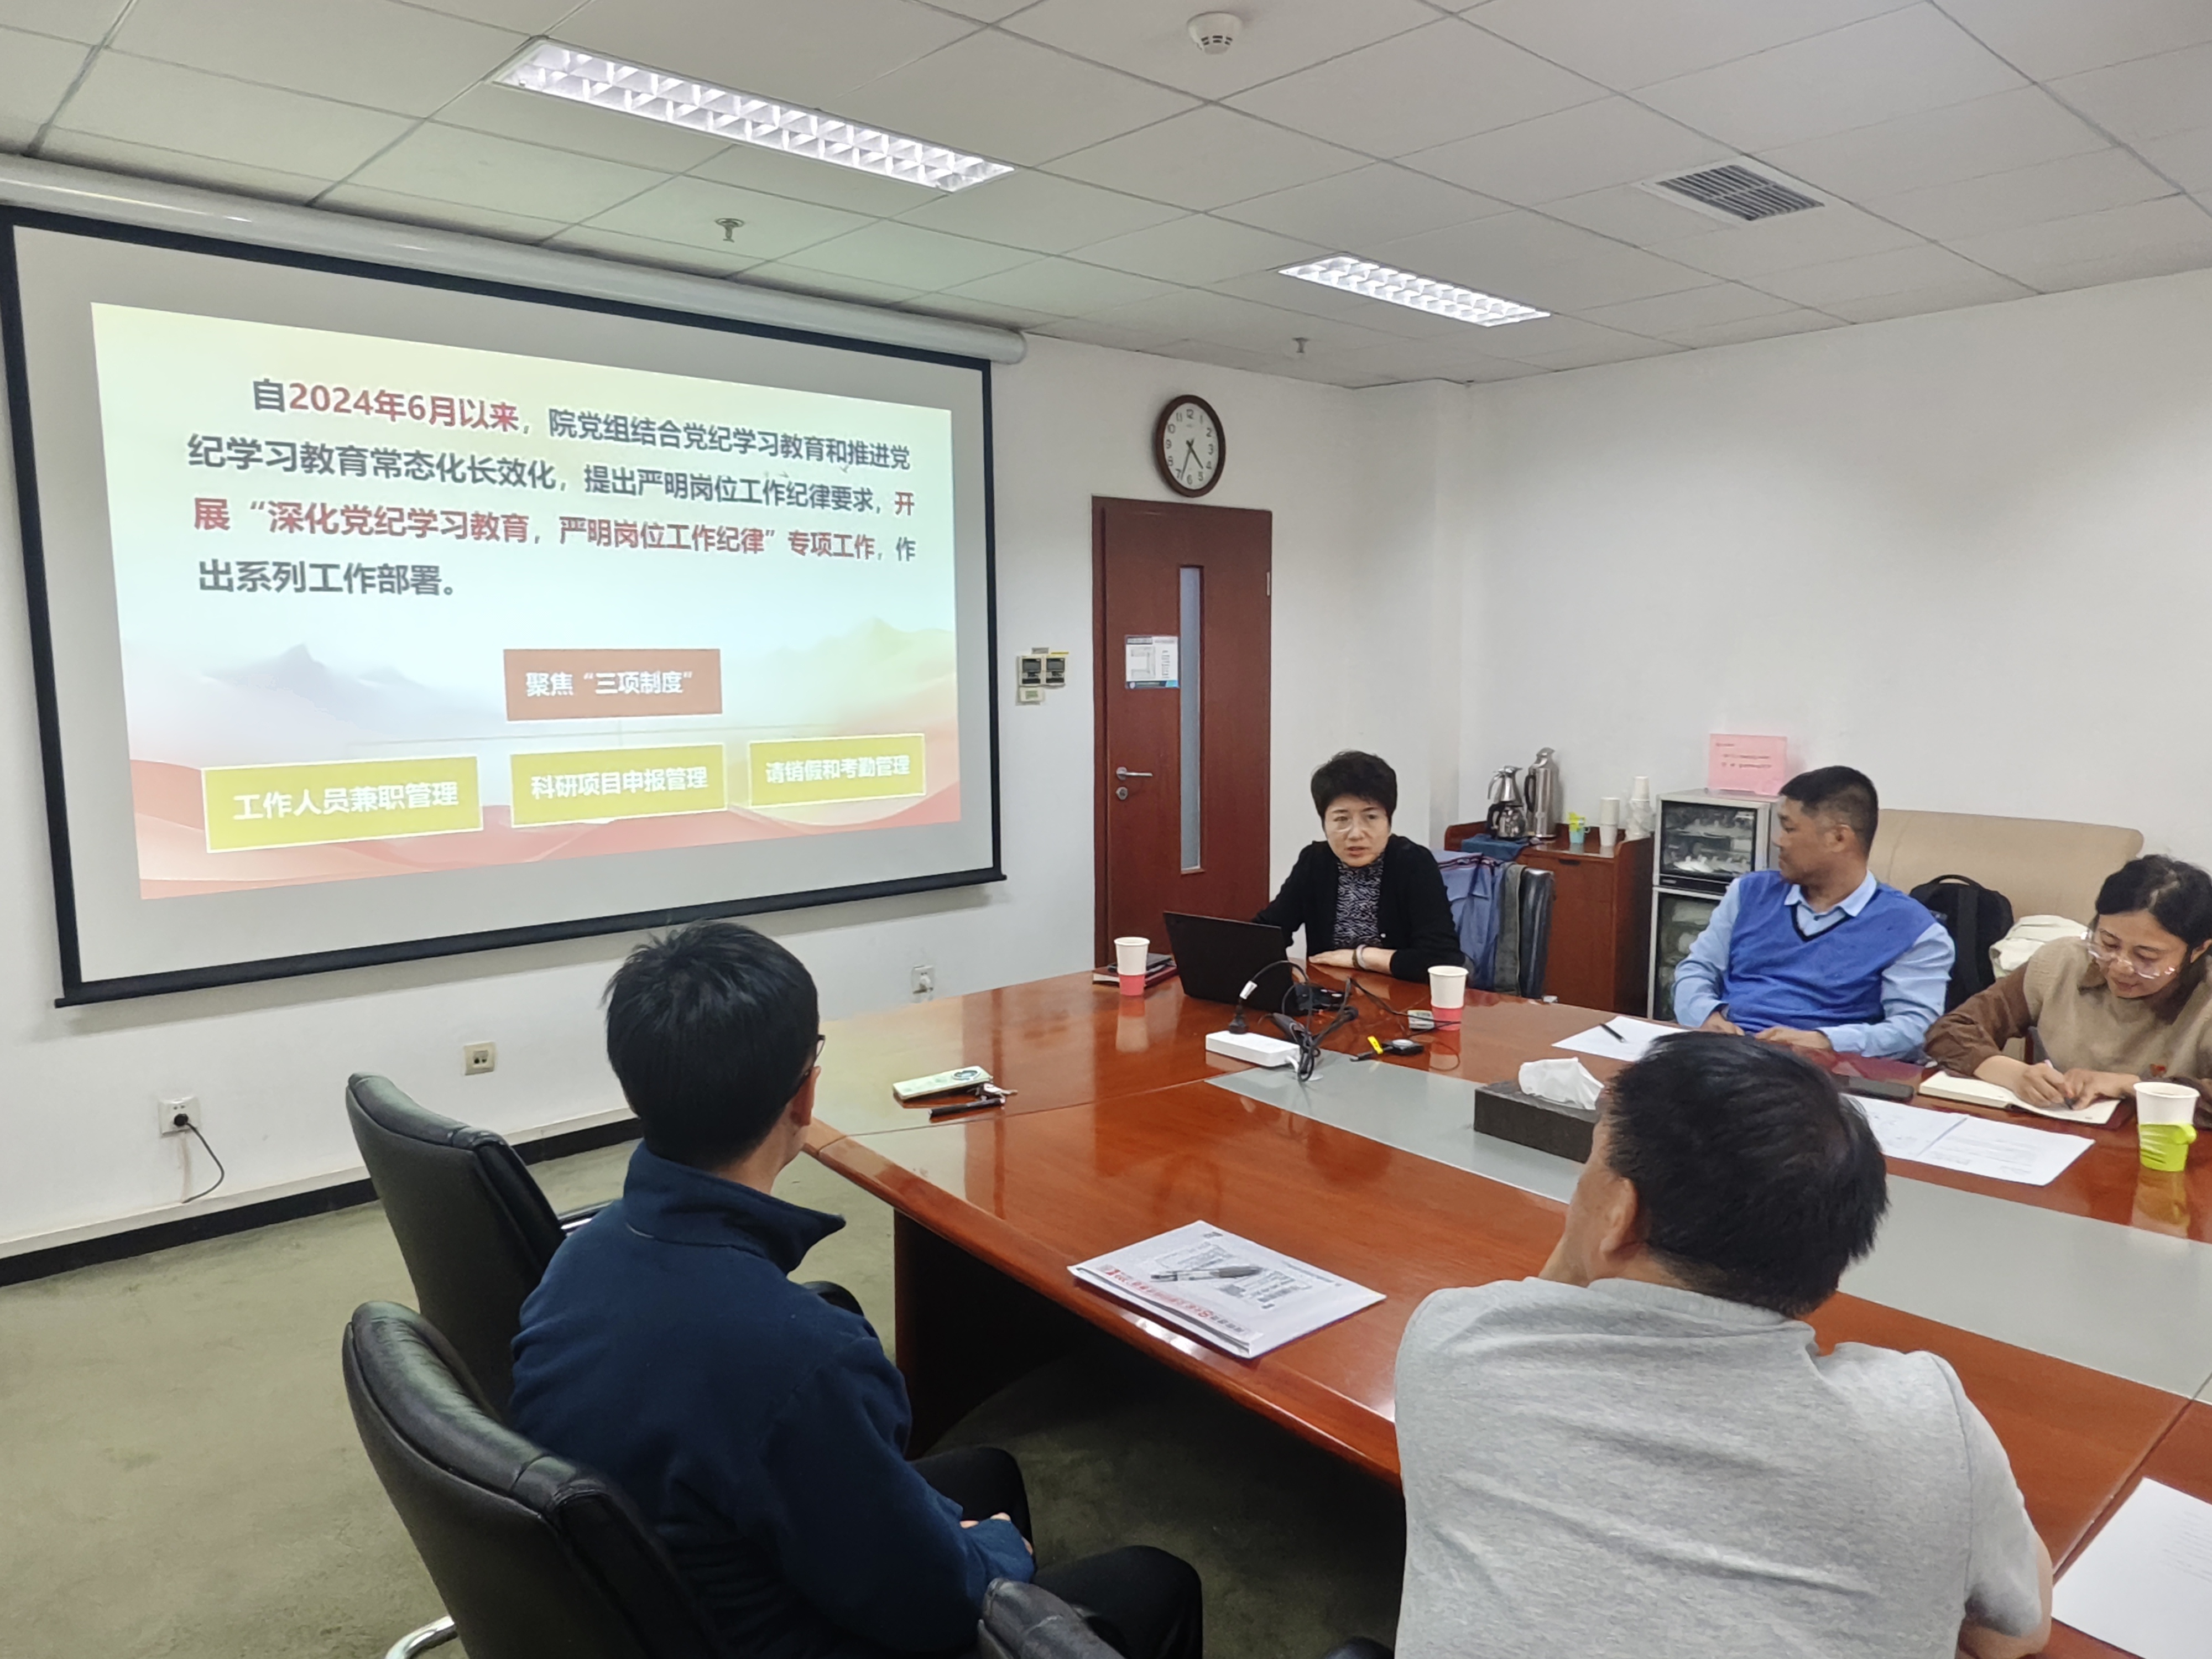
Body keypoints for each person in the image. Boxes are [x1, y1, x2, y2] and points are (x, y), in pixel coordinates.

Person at [509, 922, 1203, 1659]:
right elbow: (935, 1608)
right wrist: (995, 1554)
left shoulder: (580, 1257)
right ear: (805, 1094)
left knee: (990, 1471)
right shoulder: (803, 1359)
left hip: (655, 1599)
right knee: (1153, 1583)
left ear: (634, 1087)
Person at [1394, 1035, 2053, 1659]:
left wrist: (1585, 1247)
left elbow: (1536, 1311)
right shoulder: (1923, 1424)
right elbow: (2013, 1634)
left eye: (1590, 1166)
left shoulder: (1456, 1344)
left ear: (1620, 1213)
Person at [1670, 765, 1953, 1058]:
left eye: (1789, 828)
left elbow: (1915, 1028)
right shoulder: (1748, 893)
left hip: (1825, 1068)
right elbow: (1696, 969)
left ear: (1838, 838)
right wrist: (1705, 1016)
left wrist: (1827, 1041)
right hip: (1727, 1053)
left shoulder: (1913, 930)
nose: (1778, 840)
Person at [1927, 855, 2212, 1119]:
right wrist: (2014, 1074)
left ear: (2198, 950)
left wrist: (2131, 1086)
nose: (2120, 967)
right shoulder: (2062, 962)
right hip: (2062, 1131)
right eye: (2109, 944)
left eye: (2146, 956)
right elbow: (1952, 1030)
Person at [1253, 750, 1463, 983]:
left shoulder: (1414, 863)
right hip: (1330, 995)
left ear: (1389, 821)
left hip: (1402, 996)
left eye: (1371, 817)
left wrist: (1361, 958)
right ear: (1324, 823)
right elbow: (1266, 932)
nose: (1355, 834)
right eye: (1341, 819)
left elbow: (1443, 960)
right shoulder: (1315, 862)